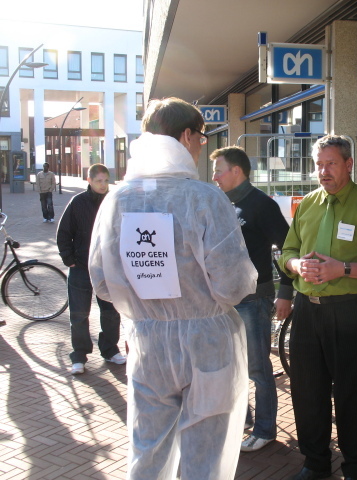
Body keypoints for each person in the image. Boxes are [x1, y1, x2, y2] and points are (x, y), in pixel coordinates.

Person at [88, 97, 257, 480]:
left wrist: (145, 303)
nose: (202, 145)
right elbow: (233, 283)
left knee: (147, 450)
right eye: (201, 137)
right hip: (208, 343)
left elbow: (101, 281)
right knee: (204, 457)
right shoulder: (204, 197)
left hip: (147, 343)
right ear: (185, 136)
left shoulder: (117, 199)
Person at [278, 135, 357, 480]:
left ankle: (354, 468)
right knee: (307, 392)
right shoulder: (308, 204)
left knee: (352, 395)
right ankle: (315, 462)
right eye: (318, 164)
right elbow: (287, 252)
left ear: (348, 164)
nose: (322, 171)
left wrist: (342, 269)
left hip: (349, 311)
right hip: (307, 312)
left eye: (330, 163)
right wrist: (296, 266)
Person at [211, 146, 293, 452]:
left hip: (254, 300)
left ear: (237, 171)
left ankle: (265, 429)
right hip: (226, 300)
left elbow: (289, 248)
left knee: (258, 368)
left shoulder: (262, 205)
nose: (215, 176)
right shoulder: (222, 203)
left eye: (219, 170)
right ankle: (242, 420)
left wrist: (285, 292)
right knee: (233, 366)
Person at [56, 163, 125, 375]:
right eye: (98, 181)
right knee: (79, 313)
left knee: (111, 312)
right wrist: (69, 259)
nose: (103, 185)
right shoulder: (77, 202)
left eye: (106, 181)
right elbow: (64, 232)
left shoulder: (115, 201)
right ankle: (79, 355)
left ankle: (110, 349)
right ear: (90, 180)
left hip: (108, 267)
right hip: (81, 267)